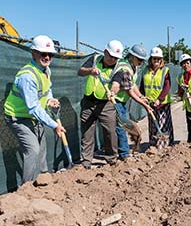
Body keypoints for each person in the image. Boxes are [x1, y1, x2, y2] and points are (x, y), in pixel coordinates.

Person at [4, 35, 66, 183]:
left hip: (33, 117)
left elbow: (47, 89)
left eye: (50, 54)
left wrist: (50, 99)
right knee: (33, 150)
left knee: (42, 147)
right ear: (33, 53)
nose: (47, 57)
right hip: (18, 117)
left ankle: (42, 178)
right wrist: (54, 125)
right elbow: (33, 107)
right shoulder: (27, 76)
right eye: (43, 54)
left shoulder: (46, 70)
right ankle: (28, 188)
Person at [78, 40, 124, 169]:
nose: (113, 59)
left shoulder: (119, 68)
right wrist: (90, 71)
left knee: (110, 132)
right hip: (88, 102)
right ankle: (86, 161)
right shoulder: (94, 59)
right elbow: (80, 71)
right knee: (87, 132)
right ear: (105, 52)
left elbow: (116, 84)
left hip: (106, 105)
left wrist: (113, 93)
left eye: (115, 58)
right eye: (111, 56)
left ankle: (111, 160)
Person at [109, 44, 149, 159]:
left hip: (122, 101)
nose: (141, 61)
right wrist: (143, 103)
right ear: (132, 56)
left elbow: (133, 84)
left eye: (142, 60)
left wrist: (141, 96)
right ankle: (124, 154)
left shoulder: (133, 67)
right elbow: (129, 91)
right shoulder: (125, 68)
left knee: (122, 125)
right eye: (139, 59)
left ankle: (122, 151)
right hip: (115, 101)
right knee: (122, 126)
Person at [140, 47, 174, 145]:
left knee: (164, 125)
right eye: (154, 58)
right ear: (151, 59)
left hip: (163, 103)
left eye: (159, 59)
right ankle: (153, 144)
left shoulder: (165, 70)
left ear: (161, 60)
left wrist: (160, 99)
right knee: (153, 125)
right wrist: (142, 96)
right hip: (150, 103)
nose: (156, 61)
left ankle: (166, 144)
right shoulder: (145, 70)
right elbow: (142, 85)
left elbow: (167, 86)